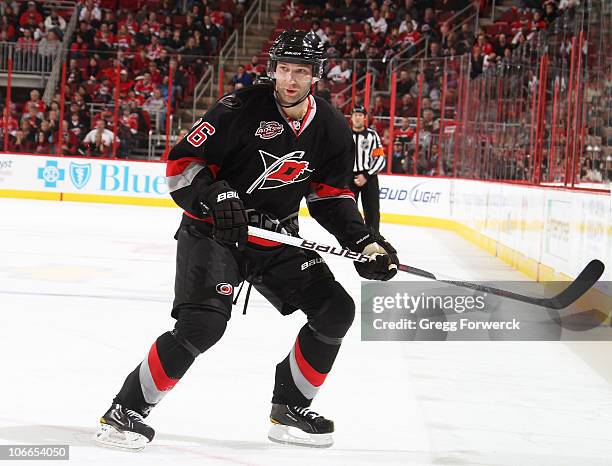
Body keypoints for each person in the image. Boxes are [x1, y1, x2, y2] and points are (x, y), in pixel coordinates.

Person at [94, 30, 399, 452]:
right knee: (203, 325)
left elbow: (332, 197)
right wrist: (215, 194)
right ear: (273, 68)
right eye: (284, 69)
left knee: (334, 310)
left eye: (301, 71)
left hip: (275, 235)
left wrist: (365, 240)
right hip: (214, 233)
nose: (290, 80)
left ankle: (290, 409)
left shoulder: (329, 125)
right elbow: (181, 165)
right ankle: (125, 411)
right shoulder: (239, 108)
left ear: (316, 76)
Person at [349, 106, 386, 232]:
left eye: (360, 115)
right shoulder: (346, 134)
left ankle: (374, 238)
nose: (357, 118)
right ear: (352, 118)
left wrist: (366, 175)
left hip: (369, 178)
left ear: (365, 118)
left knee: (372, 211)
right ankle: (353, 239)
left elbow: (380, 158)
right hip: (349, 178)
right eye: (355, 115)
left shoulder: (372, 135)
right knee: (348, 212)